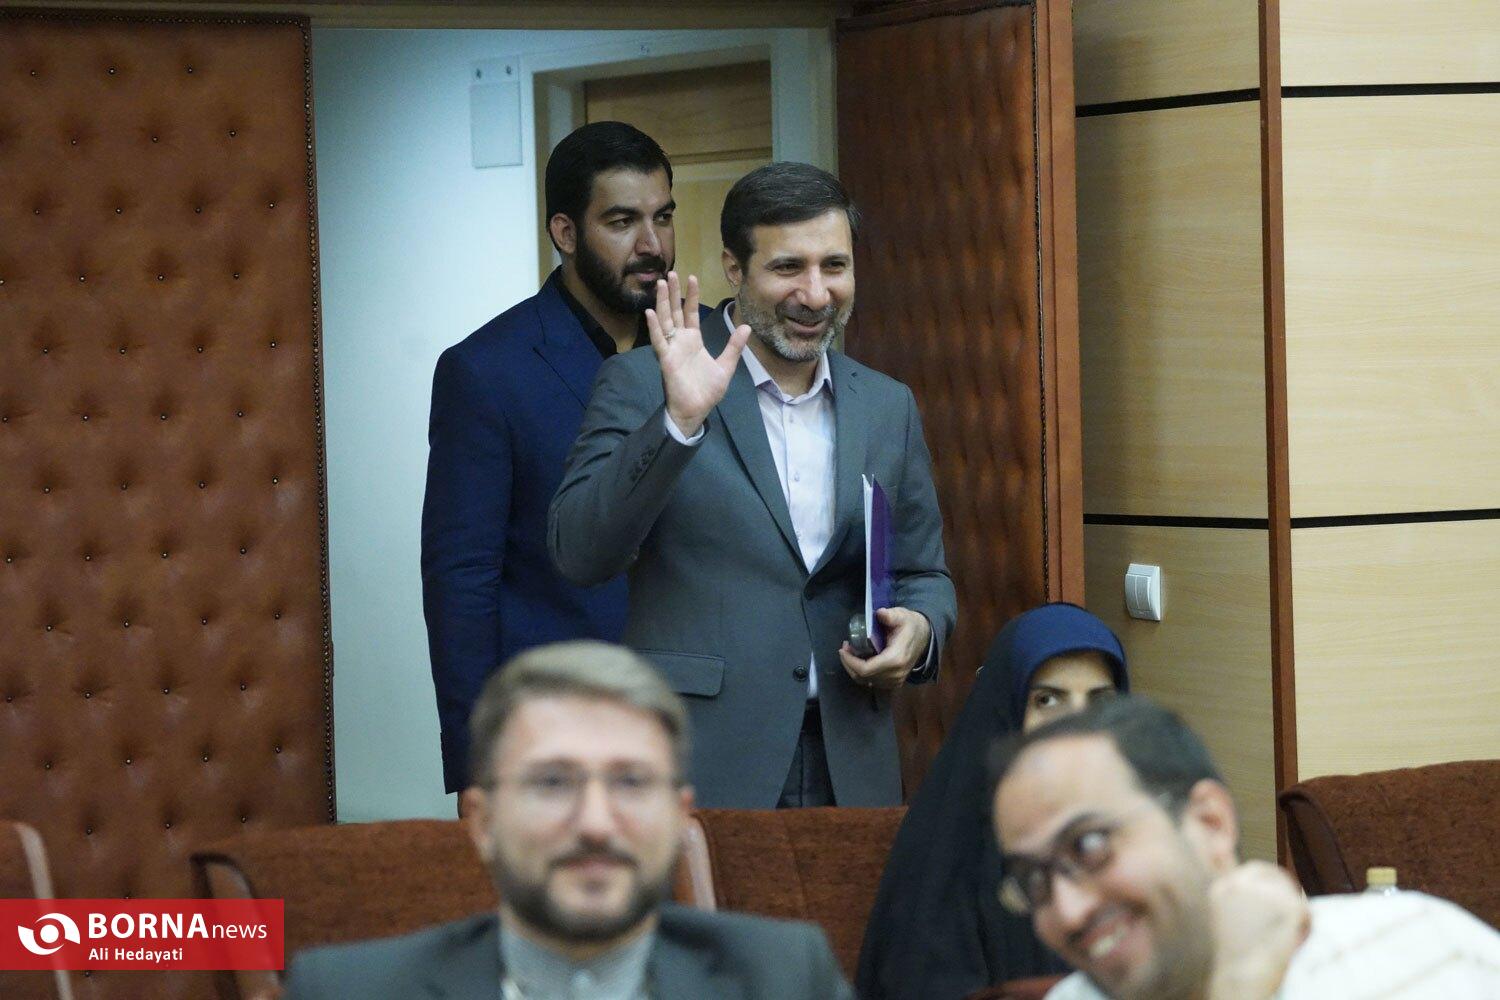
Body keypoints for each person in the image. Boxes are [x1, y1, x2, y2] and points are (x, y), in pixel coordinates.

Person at [549, 162, 956, 809]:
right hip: (705, 760)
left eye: (835, 266)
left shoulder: (887, 405)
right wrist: (679, 423)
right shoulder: (644, 382)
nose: (816, 294)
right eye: (788, 267)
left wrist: (920, 629)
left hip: (852, 762)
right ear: (734, 270)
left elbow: (923, 572)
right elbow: (580, 553)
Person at [283, 641, 853, 1000]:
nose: (596, 824)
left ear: (678, 817)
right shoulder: (345, 991)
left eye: (631, 783)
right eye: (552, 784)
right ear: (483, 823)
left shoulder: (784, 978)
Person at [423, 121, 700, 799]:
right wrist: (478, 765)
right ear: (566, 232)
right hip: (560, 723)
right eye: (622, 222)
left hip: (706, 721)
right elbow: (462, 581)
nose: (652, 245)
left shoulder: (708, 352)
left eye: (663, 217)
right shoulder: (486, 371)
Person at [991, 696, 1500, 1000]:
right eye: (1034, 880)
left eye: (1090, 845)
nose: (1069, 910)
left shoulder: (1422, 949)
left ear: (1209, 823)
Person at [858, 602, 1129, 1000]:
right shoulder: (949, 855)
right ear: (1006, 712)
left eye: (1100, 701)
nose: (1077, 725)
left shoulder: (1135, 831)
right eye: (1048, 701)